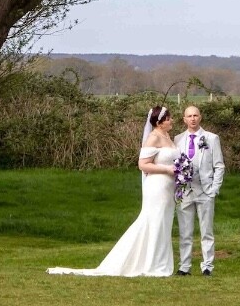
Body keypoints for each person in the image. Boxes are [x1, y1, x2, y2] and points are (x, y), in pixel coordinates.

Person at [47, 104, 178, 277]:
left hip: (169, 187)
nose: (171, 121)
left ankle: (160, 262)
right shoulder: (153, 138)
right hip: (157, 186)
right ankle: (150, 264)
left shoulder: (167, 136)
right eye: (168, 119)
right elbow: (143, 164)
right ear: (159, 122)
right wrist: (168, 170)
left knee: (164, 222)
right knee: (154, 221)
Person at [174, 104, 225, 277]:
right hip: (185, 191)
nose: (193, 119)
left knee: (206, 231)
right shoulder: (177, 139)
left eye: (196, 115)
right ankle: (184, 266)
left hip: (205, 191)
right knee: (185, 231)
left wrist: (214, 189)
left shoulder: (211, 138)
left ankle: (207, 266)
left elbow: (219, 166)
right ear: (184, 119)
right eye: (189, 116)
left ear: (200, 117)